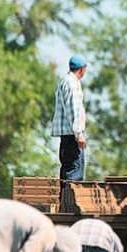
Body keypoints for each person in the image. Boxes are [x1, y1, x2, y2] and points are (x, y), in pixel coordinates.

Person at [51, 54, 88, 189]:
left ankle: (64, 204)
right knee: (75, 172)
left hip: (65, 134)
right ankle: (71, 205)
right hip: (73, 135)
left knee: (67, 170)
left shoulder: (63, 80)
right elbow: (73, 109)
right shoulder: (72, 83)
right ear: (82, 69)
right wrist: (79, 134)